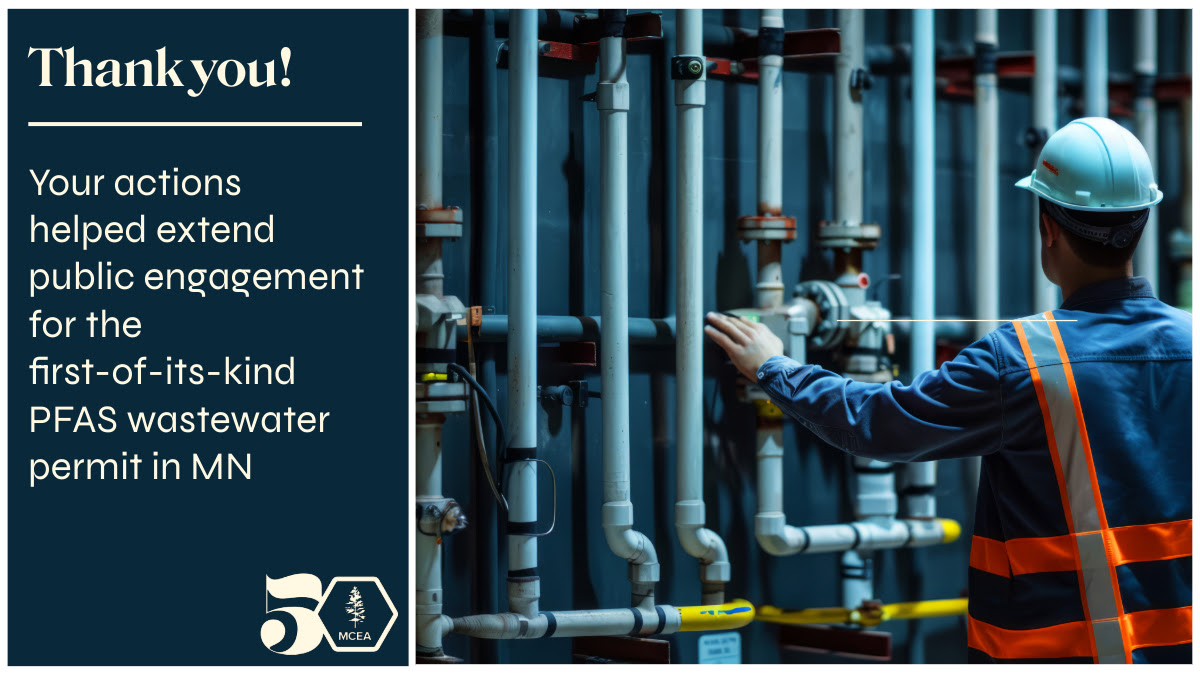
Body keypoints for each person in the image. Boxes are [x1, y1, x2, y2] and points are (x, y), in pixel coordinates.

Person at [705, 117, 1191, 664]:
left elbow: (878, 423)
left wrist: (775, 367)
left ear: (1049, 228)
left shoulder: (1026, 359)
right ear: (1143, 220)